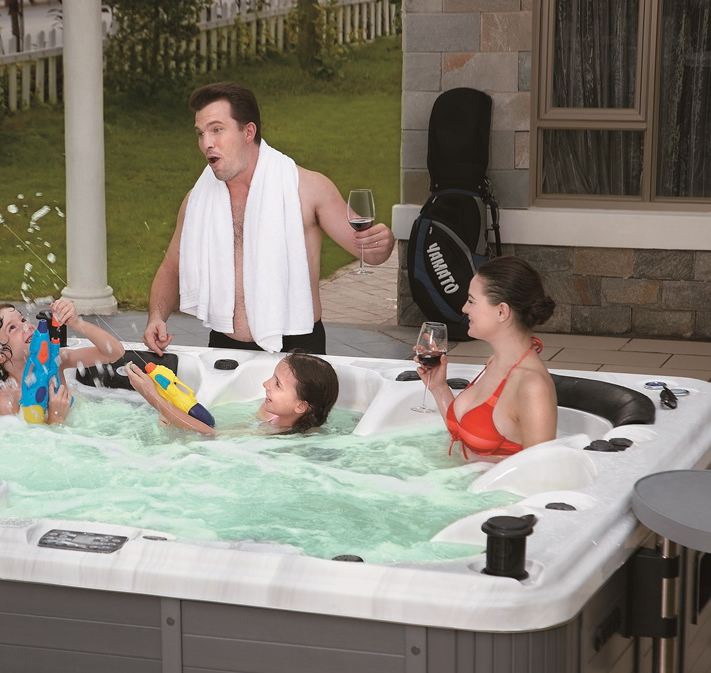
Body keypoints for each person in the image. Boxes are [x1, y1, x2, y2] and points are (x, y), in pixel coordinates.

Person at [143, 81, 394, 356]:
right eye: (201, 133)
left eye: (217, 130)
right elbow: (172, 267)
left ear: (248, 131)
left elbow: (370, 253)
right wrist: (157, 317)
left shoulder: (307, 188)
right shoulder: (197, 200)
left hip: (298, 348)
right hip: (225, 346)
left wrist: (384, 242)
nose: (206, 143)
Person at [416, 257, 558, 461]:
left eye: (471, 301)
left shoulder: (533, 386)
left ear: (502, 311)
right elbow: (466, 437)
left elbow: (541, 472)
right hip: (467, 478)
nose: (464, 308)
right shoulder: (495, 361)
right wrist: (439, 387)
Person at [0, 299, 125, 424]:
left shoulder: (55, 360)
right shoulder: (8, 398)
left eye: (22, 320)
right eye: (12, 328)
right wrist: (56, 418)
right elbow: (25, 446)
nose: (27, 326)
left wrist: (77, 323)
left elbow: (115, 352)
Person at [127, 352, 340, 436]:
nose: (265, 384)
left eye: (277, 384)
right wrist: (177, 416)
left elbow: (212, 435)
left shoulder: (278, 434)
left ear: (301, 406)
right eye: (271, 377)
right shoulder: (270, 412)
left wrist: (154, 398)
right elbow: (226, 430)